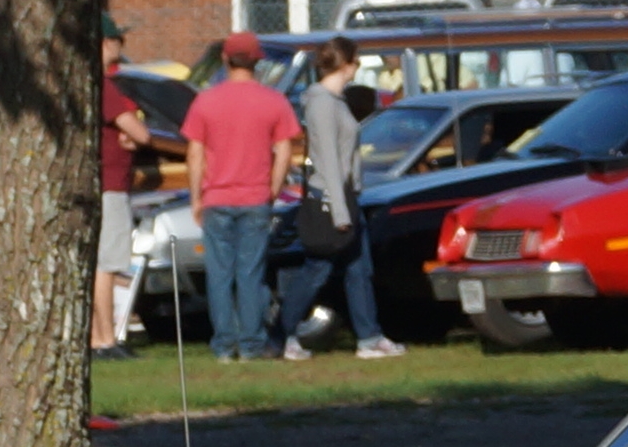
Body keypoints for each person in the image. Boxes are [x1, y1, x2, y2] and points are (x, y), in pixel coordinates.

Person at [270, 39, 400, 358]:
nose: (358, 68)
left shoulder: (334, 100)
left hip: (346, 194)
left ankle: (369, 337)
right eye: (356, 62)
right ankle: (279, 334)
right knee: (317, 268)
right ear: (347, 64)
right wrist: (340, 212)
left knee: (359, 268)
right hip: (330, 197)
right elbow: (326, 158)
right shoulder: (322, 103)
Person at [178, 29, 302, 361]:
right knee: (251, 274)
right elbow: (284, 150)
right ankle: (250, 344)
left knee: (219, 276)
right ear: (258, 62)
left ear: (224, 59)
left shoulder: (205, 100)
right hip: (255, 198)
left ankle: (223, 345)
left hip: (217, 198)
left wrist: (195, 197)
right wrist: (273, 189)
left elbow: (195, 153)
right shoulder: (273, 100)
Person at [93, 21, 148, 359]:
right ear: (103, 43)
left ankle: (97, 336)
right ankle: (105, 338)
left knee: (99, 263)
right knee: (106, 265)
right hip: (110, 185)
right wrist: (132, 133)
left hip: (97, 183)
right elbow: (140, 133)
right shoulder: (105, 87)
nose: (120, 46)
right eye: (117, 39)